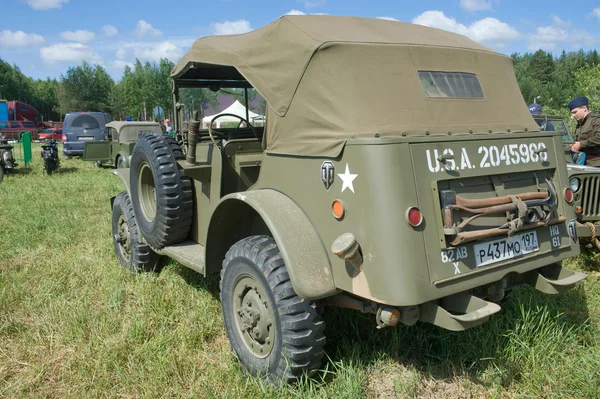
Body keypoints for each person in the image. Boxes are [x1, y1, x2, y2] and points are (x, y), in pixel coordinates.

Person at [568, 96, 600, 166]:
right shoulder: (579, 124)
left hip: (596, 163)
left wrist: (581, 144)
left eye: (575, 112)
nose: (573, 115)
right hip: (583, 162)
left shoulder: (596, 120)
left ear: (584, 108)